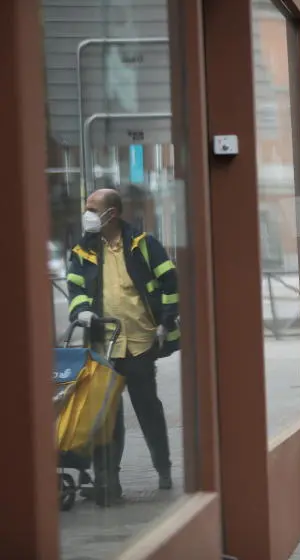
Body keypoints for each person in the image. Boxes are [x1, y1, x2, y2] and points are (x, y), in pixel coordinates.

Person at [66, 188, 180, 506]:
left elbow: (170, 283)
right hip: (104, 346)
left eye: (92, 208)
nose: (87, 213)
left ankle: (163, 468)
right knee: (108, 417)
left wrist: (165, 322)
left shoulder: (143, 245)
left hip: (141, 343)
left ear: (111, 213)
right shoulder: (82, 251)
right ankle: (109, 482)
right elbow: (75, 287)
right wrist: (81, 311)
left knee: (148, 410)